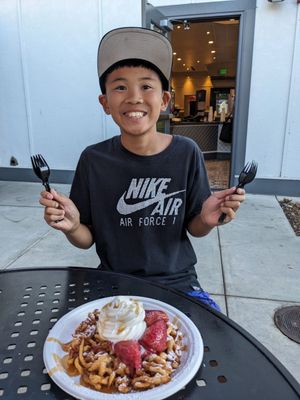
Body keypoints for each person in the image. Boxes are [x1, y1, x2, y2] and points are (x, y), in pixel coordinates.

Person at [39, 27, 245, 311]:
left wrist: (207, 220)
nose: (134, 97)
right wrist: (73, 226)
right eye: (120, 87)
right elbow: (85, 240)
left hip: (179, 282)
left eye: (146, 86)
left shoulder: (187, 152)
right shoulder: (93, 160)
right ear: (105, 103)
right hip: (113, 283)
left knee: (214, 344)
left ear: (164, 100)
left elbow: (195, 229)